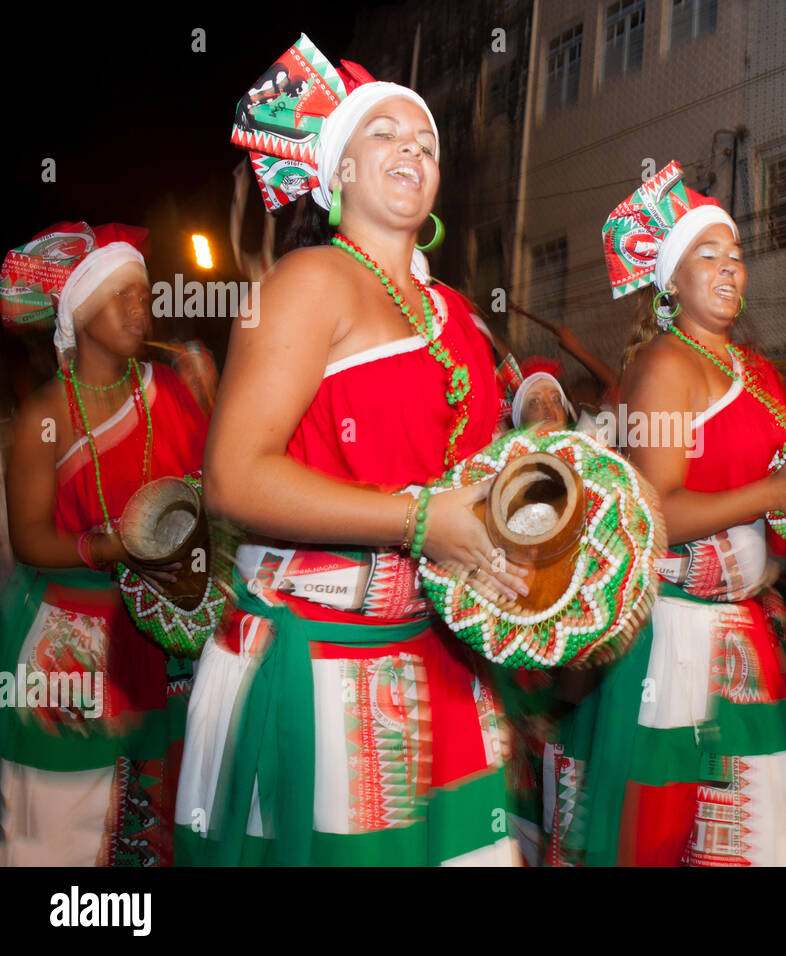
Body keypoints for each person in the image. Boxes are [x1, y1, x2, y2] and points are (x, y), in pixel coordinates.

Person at [174, 35, 528, 866]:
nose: (413, 145)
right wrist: (418, 522)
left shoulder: (456, 315)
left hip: (444, 657)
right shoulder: (307, 283)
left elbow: (473, 489)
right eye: (385, 132)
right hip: (319, 660)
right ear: (336, 173)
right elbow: (231, 478)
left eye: (427, 140)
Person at [547, 160, 786, 866]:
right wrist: (777, 497)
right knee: (667, 828)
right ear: (669, 279)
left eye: (736, 256)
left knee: (764, 830)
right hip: (676, 641)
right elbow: (658, 513)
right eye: (706, 255)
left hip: (746, 634)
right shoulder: (664, 366)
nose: (728, 268)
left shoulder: (760, 371)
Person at [0, 221, 207, 865]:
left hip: (167, 635)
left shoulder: (171, 390)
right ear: (78, 310)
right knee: (59, 835)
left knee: (155, 829)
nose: (137, 308)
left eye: (143, 294)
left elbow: (216, 498)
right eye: (118, 294)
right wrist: (114, 547)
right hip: (72, 642)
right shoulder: (45, 415)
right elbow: (30, 538)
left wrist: (215, 397)